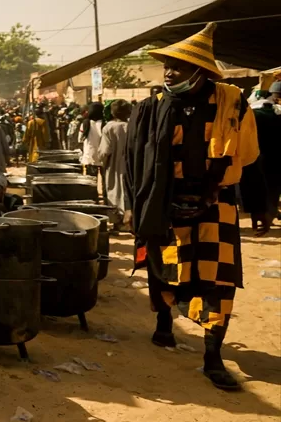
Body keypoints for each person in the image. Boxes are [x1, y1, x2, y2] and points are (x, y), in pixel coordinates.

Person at [126, 23, 258, 391]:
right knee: (165, 269)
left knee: (218, 281)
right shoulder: (150, 109)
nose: (169, 72)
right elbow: (135, 163)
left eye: (179, 66)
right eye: (167, 65)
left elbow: (245, 156)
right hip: (164, 206)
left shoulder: (232, 106)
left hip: (216, 208)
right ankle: (165, 322)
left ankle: (212, 357)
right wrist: (138, 207)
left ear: (200, 70)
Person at [241, 81, 281, 236]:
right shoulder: (276, 113)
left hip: (256, 156)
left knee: (259, 186)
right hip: (275, 158)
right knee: (273, 189)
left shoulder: (252, 112)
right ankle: (268, 216)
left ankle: (261, 213)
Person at [98, 100, 132, 231]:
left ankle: (118, 222)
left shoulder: (109, 128)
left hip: (114, 166)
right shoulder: (131, 126)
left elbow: (104, 151)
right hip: (130, 166)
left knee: (114, 191)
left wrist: (103, 163)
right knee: (127, 191)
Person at [80, 101, 105, 180]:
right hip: (103, 157)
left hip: (89, 156)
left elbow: (80, 139)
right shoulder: (105, 124)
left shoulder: (85, 123)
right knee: (105, 181)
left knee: (91, 181)